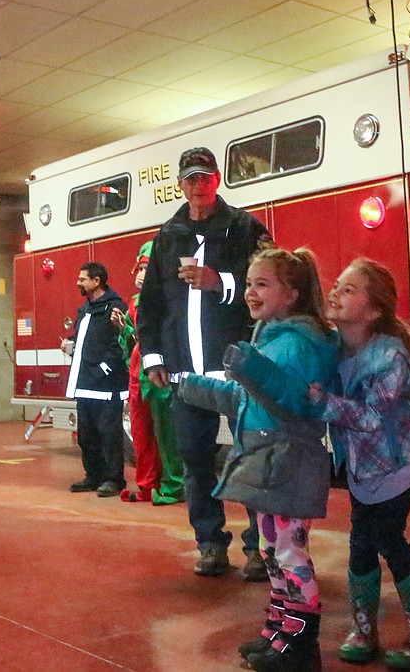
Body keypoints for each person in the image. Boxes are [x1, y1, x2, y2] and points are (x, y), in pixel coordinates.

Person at [227, 258, 410, 669]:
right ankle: (363, 629)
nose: (335, 293)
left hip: (398, 465)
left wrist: (321, 401)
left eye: (349, 290)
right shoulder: (337, 349)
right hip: (364, 468)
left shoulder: (388, 357)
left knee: (388, 539)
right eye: (338, 286)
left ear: (374, 310)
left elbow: (368, 417)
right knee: (361, 542)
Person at [179, 248, 339, 672]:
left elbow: (295, 402)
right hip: (270, 459)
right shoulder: (272, 337)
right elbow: (249, 397)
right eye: (249, 283)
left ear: (291, 294)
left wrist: (250, 368)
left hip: (287, 460)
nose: (250, 292)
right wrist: (192, 386)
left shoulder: (299, 345)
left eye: (261, 284)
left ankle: (300, 644)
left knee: (289, 553)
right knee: (272, 549)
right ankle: (279, 632)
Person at [137, 146, 273, 579]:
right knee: (195, 462)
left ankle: (260, 549)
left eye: (205, 177)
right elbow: (151, 304)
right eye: (190, 178)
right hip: (187, 373)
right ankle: (211, 544)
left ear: (218, 180)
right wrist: (156, 357)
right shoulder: (168, 236)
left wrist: (222, 282)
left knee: (251, 457)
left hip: (237, 373)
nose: (198, 185)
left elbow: (271, 287)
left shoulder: (245, 228)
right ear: (180, 184)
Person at [113, 241, 184, 504]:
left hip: (160, 372)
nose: (141, 274)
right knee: (141, 433)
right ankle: (146, 484)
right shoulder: (134, 302)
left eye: (147, 268)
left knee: (167, 433)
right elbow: (133, 341)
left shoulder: (171, 299)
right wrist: (124, 330)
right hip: (137, 372)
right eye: (140, 268)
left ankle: (173, 485)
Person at [63, 261, 129, 497]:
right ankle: (93, 476)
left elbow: (119, 343)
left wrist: (103, 369)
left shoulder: (115, 307)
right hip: (85, 386)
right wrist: (70, 343)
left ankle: (114, 479)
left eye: (82, 279)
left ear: (96, 281)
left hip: (106, 387)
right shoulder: (85, 310)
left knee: (109, 435)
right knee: (86, 435)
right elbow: (86, 338)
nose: (78, 283)